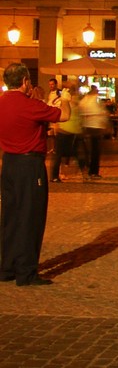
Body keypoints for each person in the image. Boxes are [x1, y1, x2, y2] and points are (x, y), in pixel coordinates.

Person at [0, 62, 71, 286]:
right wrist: (66, 97)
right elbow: (64, 116)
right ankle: (26, 272)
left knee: (10, 216)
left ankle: (6, 267)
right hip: (30, 165)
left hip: (9, 163)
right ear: (24, 82)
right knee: (31, 217)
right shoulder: (30, 105)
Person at [49, 89, 87, 183]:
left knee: (77, 154)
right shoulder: (64, 103)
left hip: (73, 133)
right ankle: (54, 176)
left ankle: (85, 174)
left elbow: (79, 118)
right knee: (60, 155)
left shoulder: (75, 104)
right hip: (64, 132)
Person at [78, 85, 107, 180]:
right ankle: (93, 171)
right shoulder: (96, 100)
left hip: (86, 127)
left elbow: (80, 111)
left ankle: (88, 169)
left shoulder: (84, 100)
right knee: (95, 151)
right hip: (96, 128)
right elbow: (102, 112)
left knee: (87, 151)